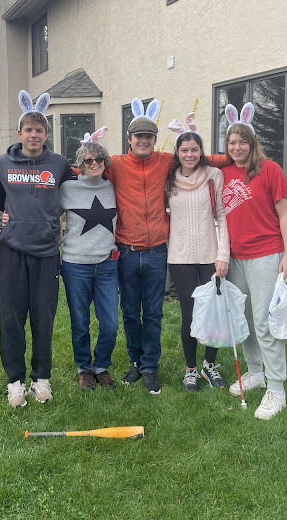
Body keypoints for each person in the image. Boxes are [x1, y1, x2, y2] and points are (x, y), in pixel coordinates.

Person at [107, 99, 227, 395]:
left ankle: (150, 366)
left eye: (149, 136)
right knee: (131, 312)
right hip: (127, 249)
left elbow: (204, 159)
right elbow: (86, 168)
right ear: (129, 140)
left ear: (155, 141)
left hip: (159, 250)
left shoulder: (165, 162)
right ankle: (135, 361)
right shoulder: (117, 165)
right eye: (139, 136)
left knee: (154, 313)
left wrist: (240, 156)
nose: (144, 141)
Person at [0, 91, 74, 409]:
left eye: (40, 130)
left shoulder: (59, 164)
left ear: (46, 134)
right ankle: (15, 383)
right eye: (29, 129)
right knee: (10, 319)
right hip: (11, 251)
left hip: (46, 253)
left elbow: (78, 191)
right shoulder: (3, 163)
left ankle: (41, 380)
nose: (34, 134)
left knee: (43, 318)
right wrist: (7, 216)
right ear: (20, 132)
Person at [222, 102, 287, 420]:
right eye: (231, 142)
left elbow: (286, 215)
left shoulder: (270, 169)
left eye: (243, 142)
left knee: (265, 323)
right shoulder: (222, 172)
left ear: (252, 144)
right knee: (245, 321)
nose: (237, 147)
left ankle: (276, 388)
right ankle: (255, 371)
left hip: (266, 256)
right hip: (234, 258)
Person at [165, 114, 230, 392]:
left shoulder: (214, 176)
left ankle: (209, 365)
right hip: (180, 259)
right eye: (184, 150)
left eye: (194, 149)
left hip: (210, 256)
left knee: (213, 313)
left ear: (201, 151)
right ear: (177, 154)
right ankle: (191, 369)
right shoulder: (169, 181)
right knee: (190, 314)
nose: (189, 154)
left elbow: (223, 216)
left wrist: (223, 255)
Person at [60, 128, 118, 391]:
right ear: (81, 165)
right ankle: (84, 367)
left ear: (105, 163)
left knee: (110, 323)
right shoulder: (67, 189)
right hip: (74, 264)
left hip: (107, 264)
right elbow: (45, 211)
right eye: (89, 160)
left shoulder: (113, 187)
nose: (94, 164)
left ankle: (102, 366)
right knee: (80, 321)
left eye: (99, 160)